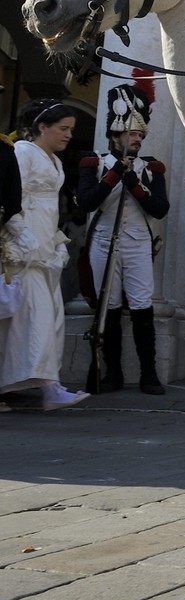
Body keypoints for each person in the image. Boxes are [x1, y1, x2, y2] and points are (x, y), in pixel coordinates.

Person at [77, 83, 169, 395]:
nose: (138, 139)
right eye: (133, 134)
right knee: (109, 306)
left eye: (141, 135)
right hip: (104, 241)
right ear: (116, 134)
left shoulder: (151, 169)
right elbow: (87, 201)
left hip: (138, 243)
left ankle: (149, 372)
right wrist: (117, 173)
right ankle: (111, 371)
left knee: (143, 306)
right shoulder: (95, 162)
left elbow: (159, 209)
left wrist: (133, 180)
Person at [0, 102, 90, 409]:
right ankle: (51, 389)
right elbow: (12, 198)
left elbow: (50, 208)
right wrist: (22, 237)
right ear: (42, 127)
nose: (68, 136)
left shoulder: (56, 163)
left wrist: (54, 240)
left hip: (45, 250)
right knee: (37, 318)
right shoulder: (23, 153)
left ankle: (25, 383)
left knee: (42, 319)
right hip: (24, 252)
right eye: (63, 129)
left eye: (71, 130)